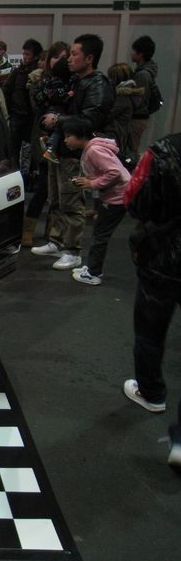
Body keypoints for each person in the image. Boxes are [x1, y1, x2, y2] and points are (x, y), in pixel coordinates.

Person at [120, 132, 181, 470]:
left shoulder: (164, 151)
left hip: (163, 256)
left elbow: (135, 201)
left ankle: (152, 392)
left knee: (150, 331)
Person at [32, 33, 114, 271]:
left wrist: (58, 120)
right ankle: (57, 241)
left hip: (77, 152)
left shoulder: (97, 84)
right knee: (56, 199)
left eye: (74, 54)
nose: (69, 59)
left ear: (89, 58)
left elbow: (90, 120)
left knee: (71, 201)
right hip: (61, 148)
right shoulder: (76, 81)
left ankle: (72, 250)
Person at [60, 117, 130, 285]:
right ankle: (92, 268)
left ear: (80, 135)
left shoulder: (94, 150)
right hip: (115, 195)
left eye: (68, 136)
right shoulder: (91, 149)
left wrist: (92, 183)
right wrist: (87, 181)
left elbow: (114, 172)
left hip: (118, 197)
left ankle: (94, 273)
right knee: (99, 233)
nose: (65, 140)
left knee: (100, 236)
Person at [22, 41, 70, 246]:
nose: (60, 62)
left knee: (59, 190)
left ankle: (52, 230)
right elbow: (37, 108)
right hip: (44, 137)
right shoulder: (39, 81)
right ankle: (28, 230)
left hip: (66, 138)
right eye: (56, 57)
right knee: (43, 187)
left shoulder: (72, 82)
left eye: (64, 58)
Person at [2, 39, 43, 179]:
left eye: (28, 54)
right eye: (23, 53)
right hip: (17, 116)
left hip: (32, 119)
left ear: (36, 56)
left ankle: (28, 177)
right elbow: (6, 89)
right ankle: (14, 177)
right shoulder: (18, 71)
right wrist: (9, 110)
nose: (24, 57)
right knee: (13, 149)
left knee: (31, 150)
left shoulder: (39, 74)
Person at [104, 62, 144, 170]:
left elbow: (108, 115)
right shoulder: (130, 95)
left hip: (114, 134)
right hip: (121, 133)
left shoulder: (122, 97)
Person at [129, 35, 159, 154]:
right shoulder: (146, 71)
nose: (131, 53)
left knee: (132, 150)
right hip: (140, 116)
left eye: (134, 50)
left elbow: (138, 99)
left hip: (137, 117)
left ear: (140, 54)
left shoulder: (142, 75)